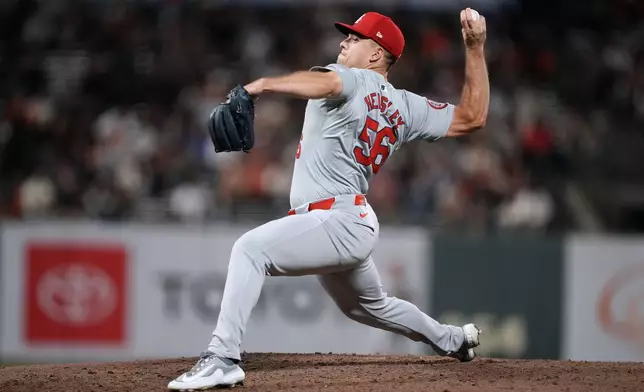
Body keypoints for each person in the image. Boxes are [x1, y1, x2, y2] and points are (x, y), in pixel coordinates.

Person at [168, 8, 489, 390]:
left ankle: (222, 358)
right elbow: (472, 116)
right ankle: (454, 339)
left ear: (375, 55)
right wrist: (475, 47)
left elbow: (328, 85)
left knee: (250, 250)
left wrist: (260, 86)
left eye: (355, 38)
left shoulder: (351, 78)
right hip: (350, 220)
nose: (344, 41)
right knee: (367, 306)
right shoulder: (406, 105)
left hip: (335, 219)